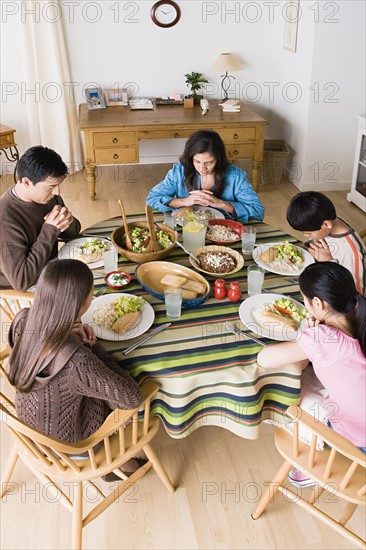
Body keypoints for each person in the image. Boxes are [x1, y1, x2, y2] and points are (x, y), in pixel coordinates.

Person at [8, 259, 144, 476]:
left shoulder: (23, 320)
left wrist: (69, 332)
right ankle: (117, 465)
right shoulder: (77, 362)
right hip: (71, 445)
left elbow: (49, 351)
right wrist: (94, 348)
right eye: (92, 293)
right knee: (143, 387)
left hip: (30, 429)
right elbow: (131, 398)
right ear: (81, 303)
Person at [257, 262, 366, 486]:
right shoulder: (358, 313)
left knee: (295, 388)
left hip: (359, 442)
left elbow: (265, 359)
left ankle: (314, 461)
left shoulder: (325, 340)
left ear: (318, 303)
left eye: (305, 301)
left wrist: (308, 335)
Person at [0, 146, 81, 291]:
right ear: (26, 182)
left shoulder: (48, 197)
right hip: (24, 289)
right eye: (51, 186)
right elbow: (22, 282)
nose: (57, 192)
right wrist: (50, 230)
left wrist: (67, 222)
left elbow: (73, 232)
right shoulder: (4, 219)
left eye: (58, 185)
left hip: (50, 269)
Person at [146, 130, 265, 222]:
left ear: (219, 159)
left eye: (209, 163)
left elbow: (258, 212)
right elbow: (152, 199)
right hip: (187, 229)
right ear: (190, 158)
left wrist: (222, 204)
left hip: (223, 231)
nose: (202, 169)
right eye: (197, 162)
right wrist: (184, 201)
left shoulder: (236, 176)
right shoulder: (179, 171)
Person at [286, 191, 365, 295]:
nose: (306, 236)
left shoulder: (351, 252)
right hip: (317, 278)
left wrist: (328, 261)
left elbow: (356, 295)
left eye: (309, 233)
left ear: (326, 225)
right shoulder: (329, 225)